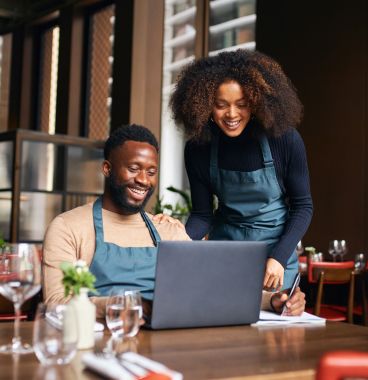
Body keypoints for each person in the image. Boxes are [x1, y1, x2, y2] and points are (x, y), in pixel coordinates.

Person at [43, 124, 305, 317]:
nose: (143, 180)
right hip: (99, 343)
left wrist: (274, 301)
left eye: (151, 172)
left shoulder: (167, 229)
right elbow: (55, 304)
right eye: (133, 169)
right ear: (107, 169)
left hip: (166, 344)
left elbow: (211, 289)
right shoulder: (69, 227)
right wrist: (123, 306)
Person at [170, 49, 313, 292]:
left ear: (256, 103)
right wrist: (177, 242)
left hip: (275, 254)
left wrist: (278, 258)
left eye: (242, 104)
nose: (232, 114)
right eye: (221, 105)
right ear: (205, 105)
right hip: (226, 252)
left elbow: (303, 207)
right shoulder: (198, 149)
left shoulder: (285, 140)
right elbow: (202, 216)